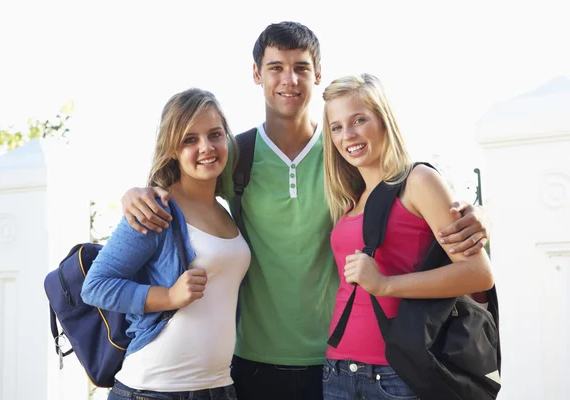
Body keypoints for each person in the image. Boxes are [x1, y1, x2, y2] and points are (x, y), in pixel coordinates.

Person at [118, 22, 491, 400]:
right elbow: (185, 184)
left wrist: (475, 215)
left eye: (300, 67)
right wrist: (138, 192)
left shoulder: (343, 152)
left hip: (335, 361)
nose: (289, 79)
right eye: (276, 67)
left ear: (317, 73)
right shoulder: (236, 156)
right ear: (256, 74)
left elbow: (402, 191)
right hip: (251, 359)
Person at [321, 73, 494, 399]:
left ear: (384, 121)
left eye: (359, 120)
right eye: (337, 127)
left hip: (395, 375)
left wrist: (386, 285)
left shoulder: (418, 180)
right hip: (338, 372)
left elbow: (479, 274)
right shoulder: (351, 199)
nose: (349, 134)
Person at [81, 88, 250, 400]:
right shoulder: (156, 209)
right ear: (173, 148)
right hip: (154, 390)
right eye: (190, 139)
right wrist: (169, 296)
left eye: (215, 134)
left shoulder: (228, 212)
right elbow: (96, 286)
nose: (206, 147)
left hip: (218, 388)